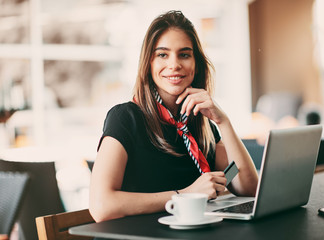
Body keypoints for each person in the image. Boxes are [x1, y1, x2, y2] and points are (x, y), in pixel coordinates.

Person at [89, 10, 258, 222]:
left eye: (184, 54)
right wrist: (185, 195)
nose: (174, 64)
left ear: (196, 65)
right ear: (148, 64)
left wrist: (223, 121)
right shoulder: (125, 118)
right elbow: (101, 206)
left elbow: (248, 186)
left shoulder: (200, 123)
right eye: (162, 54)